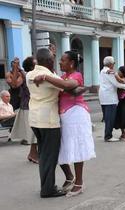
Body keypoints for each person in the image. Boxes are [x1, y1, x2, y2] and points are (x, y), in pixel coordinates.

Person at [33, 50, 95, 197]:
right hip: (64, 116)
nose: (60, 62)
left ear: (71, 63)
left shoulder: (76, 75)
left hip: (76, 115)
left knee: (77, 147)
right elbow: (65, 86)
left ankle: (79, 183)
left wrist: (46, 76)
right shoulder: (63, 76)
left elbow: (68, 86)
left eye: (63, 60)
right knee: (60, 148)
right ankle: (69, 176)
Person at [26, 48, 65, 198]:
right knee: (50, 156)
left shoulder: (30, 73)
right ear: (49, 61)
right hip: (48, 120)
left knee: (43, 155)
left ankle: (46, 186)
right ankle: (48, 189)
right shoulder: (48, 76)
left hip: (35, 119)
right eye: (53, 59)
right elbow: (66, 86)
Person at [10, 57, 39, 163]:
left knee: (35, 132)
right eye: (36, 63)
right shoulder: (24, 76)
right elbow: (14, 85)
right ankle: (33, 154)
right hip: (27, 107)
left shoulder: (36, 74)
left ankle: (32, 154)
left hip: (36, 106)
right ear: (31, 66)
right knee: (33, 133)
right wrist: (16, 69)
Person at [98, 56, 125, 142]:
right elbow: (118, 84)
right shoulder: (110, 73)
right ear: (111, 64)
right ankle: (108, 136)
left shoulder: (102, 71)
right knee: (110, 118)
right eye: (113, 63)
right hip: (110, 98)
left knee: (107, 117)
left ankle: (108, 134)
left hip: (103, 97)